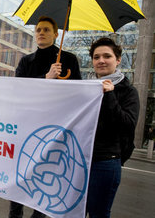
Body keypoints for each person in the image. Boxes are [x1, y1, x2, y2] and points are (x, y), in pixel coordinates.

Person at [9, 16, 81, 218]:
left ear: (56, 34)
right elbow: (18, 90)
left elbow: (77, 94)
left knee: (44, 175)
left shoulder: (69, 60)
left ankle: (38, 214)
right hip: (27, 125)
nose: (41, 32)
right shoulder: (26, 61)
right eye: (38, 29)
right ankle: (15, 213)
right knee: (20, 173)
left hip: (54, 128)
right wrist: (46, 78)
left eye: (47, 30)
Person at [86, 37, 139, 218]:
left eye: (106, 56)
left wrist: (109, 96)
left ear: (117, 60)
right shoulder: (86, 87)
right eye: (96, 57)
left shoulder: (128, 91)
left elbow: (127, 125)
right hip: (80, 160)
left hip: (105, 162)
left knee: (98, 214)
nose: (101, 61)